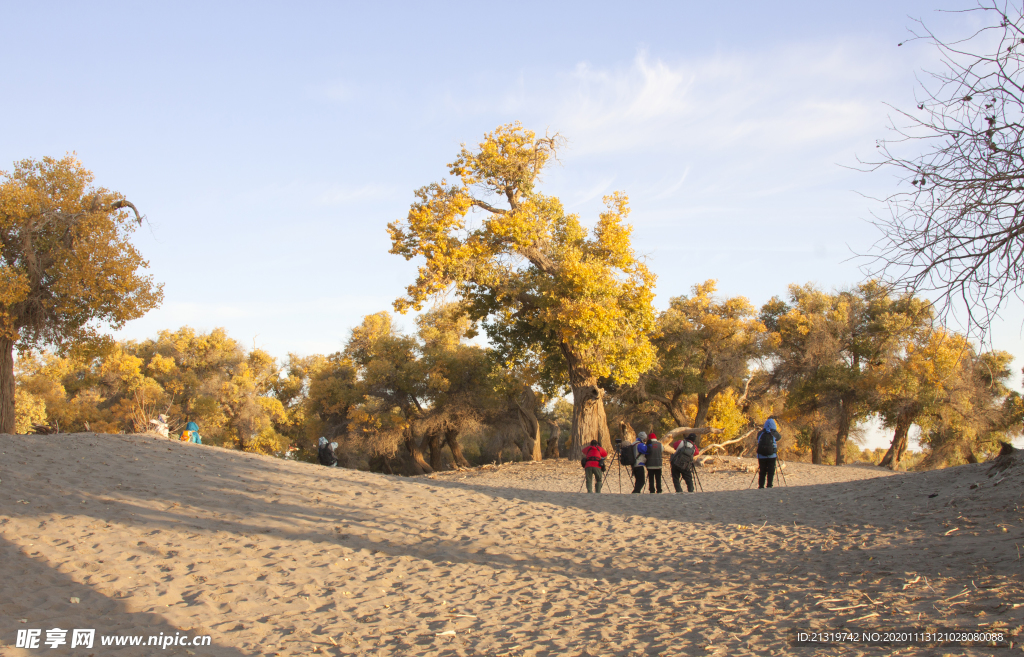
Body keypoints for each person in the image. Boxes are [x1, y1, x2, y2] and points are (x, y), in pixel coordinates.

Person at [757, 418, 781, 489]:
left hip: (761, 455)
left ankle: (761, 486)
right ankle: (769, 485)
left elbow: (757, 439)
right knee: (771, 470)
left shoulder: (760, 433)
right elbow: (779, 437)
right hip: (772, 455)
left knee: (762, 471)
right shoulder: (774, 433)